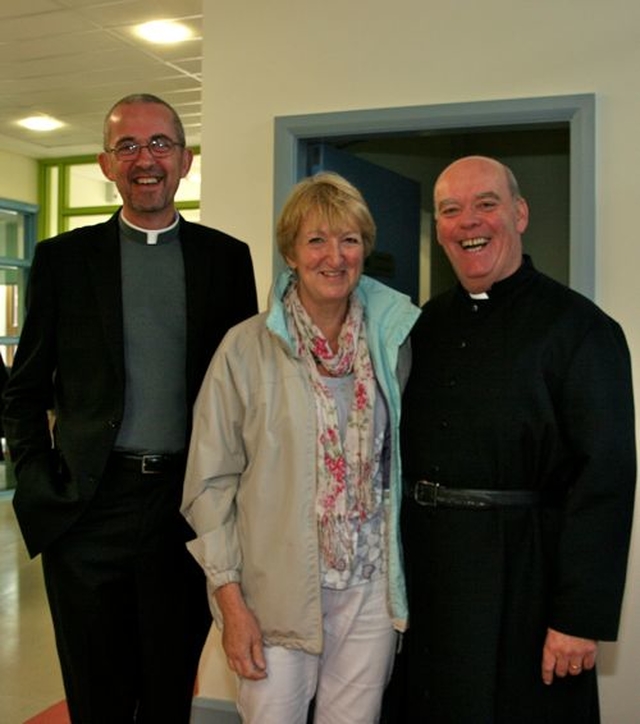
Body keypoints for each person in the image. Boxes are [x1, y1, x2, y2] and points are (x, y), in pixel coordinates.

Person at [2, 93, 258, 724]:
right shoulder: (64, 260)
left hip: (186, 509)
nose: (146, 159)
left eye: (160, 145)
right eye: (129, 147)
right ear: (106, 163)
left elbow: (245, 392)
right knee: (98, 699)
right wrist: (39, 484)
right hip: (88, 511)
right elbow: (25, 388)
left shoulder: (226, 259)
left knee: (170, 693)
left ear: (185, 160)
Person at [397, 155, 636, 723]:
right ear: (439, 230)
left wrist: (578, 617)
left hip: (526, 579)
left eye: (487, 205)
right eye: (451, 210)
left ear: (520, 213)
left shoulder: (580, 329)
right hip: (432, 575)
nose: (468, 222)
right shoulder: (423, 326)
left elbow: (604, 478)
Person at [181, 172, 420, 723]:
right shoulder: (244, 349)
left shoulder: (394, 342)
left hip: (368, 591)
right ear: (291, 252)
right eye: (316, 240)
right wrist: (230, 601)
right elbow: (209, 485)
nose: (334, 257)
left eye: (349, 239)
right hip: (273, 597)